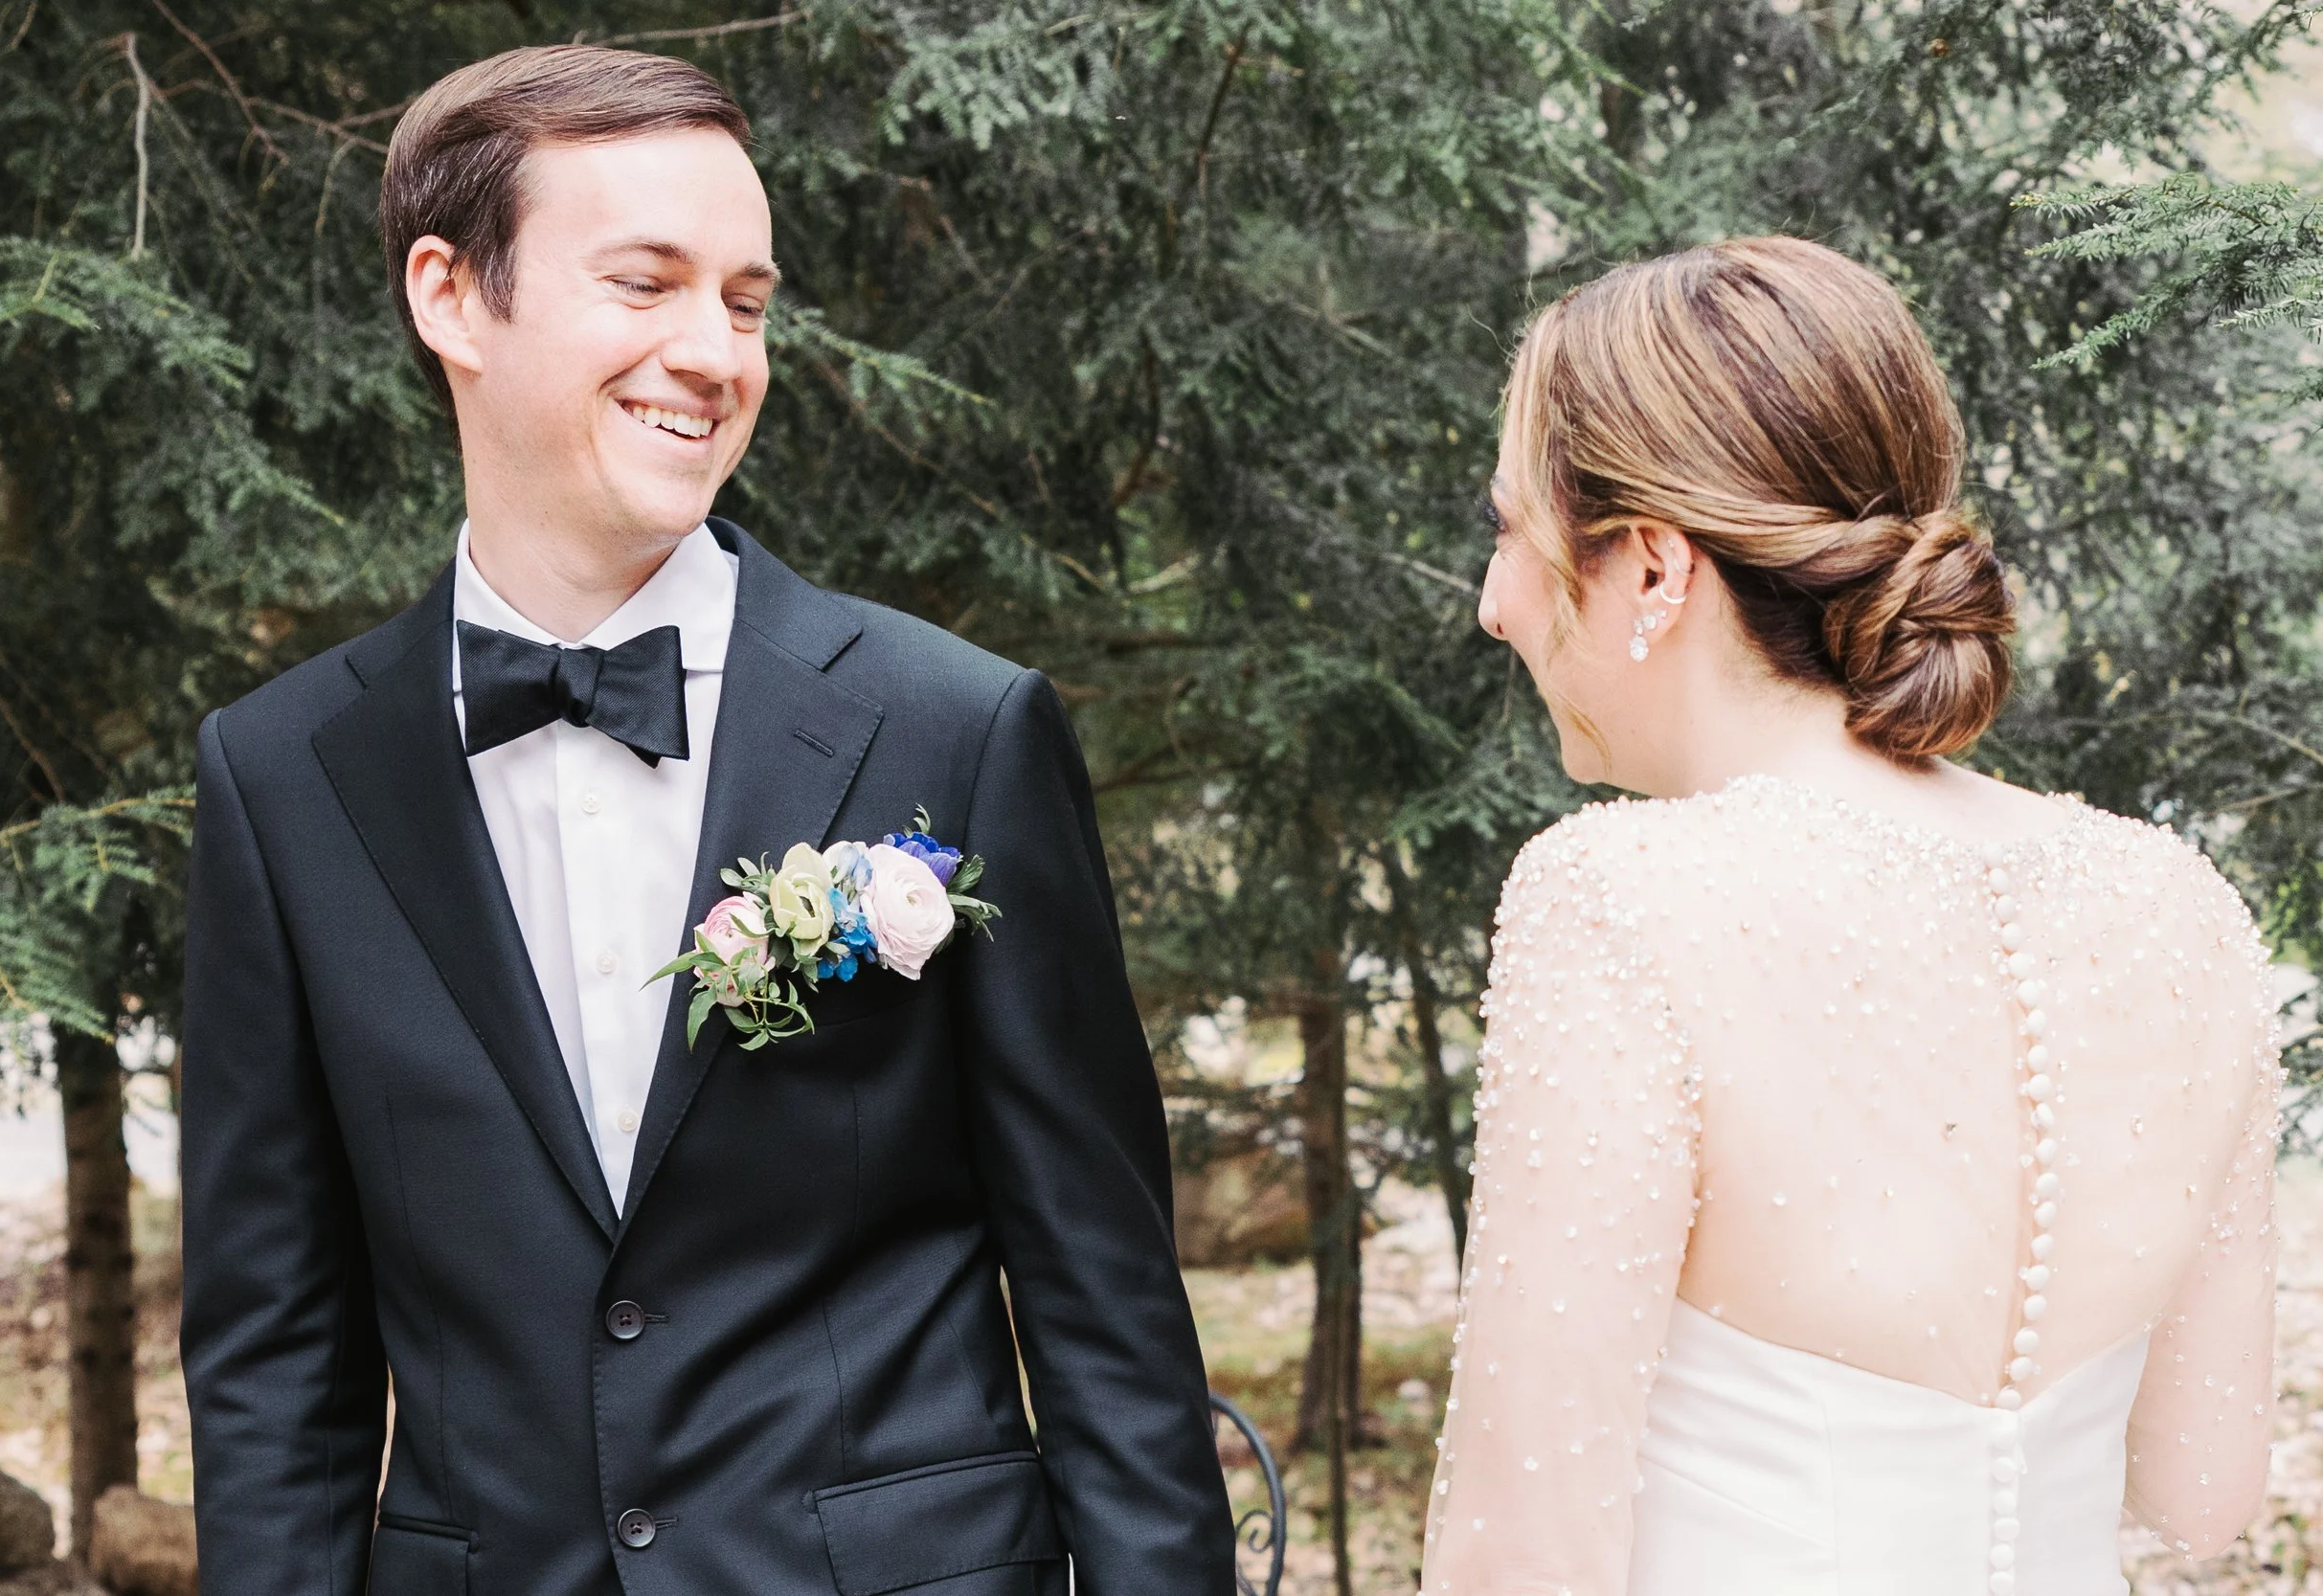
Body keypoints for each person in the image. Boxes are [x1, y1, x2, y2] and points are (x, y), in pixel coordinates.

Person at [178, 45, 1232, 1596]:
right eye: (647, 284)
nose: (714, 353)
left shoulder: (956, 724)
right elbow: (276, 1361)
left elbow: (1108, 1301)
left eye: (744, 302)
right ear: (452, 297)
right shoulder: (281, 777)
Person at [1422, 236, 2281, 1593]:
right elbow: (2205, 1486)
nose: (1494, 602)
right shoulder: (2178, 899)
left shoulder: (1620, 901)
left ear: (1653, 565)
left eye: (1513, 533)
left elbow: (1519, 1555)